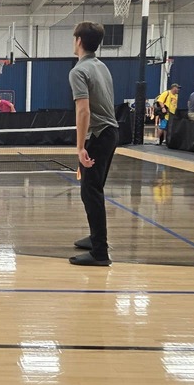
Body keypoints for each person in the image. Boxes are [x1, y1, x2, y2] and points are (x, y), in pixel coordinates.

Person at [68, 22, 119, 267]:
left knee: (91, 191)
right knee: (92, 189)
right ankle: (94, 237)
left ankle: (100, 252)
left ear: (79, 40)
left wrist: (80, 147)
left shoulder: (78, 71)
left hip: (99, 135)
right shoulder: (101, 66)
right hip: (111, 133)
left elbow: (83, 110)